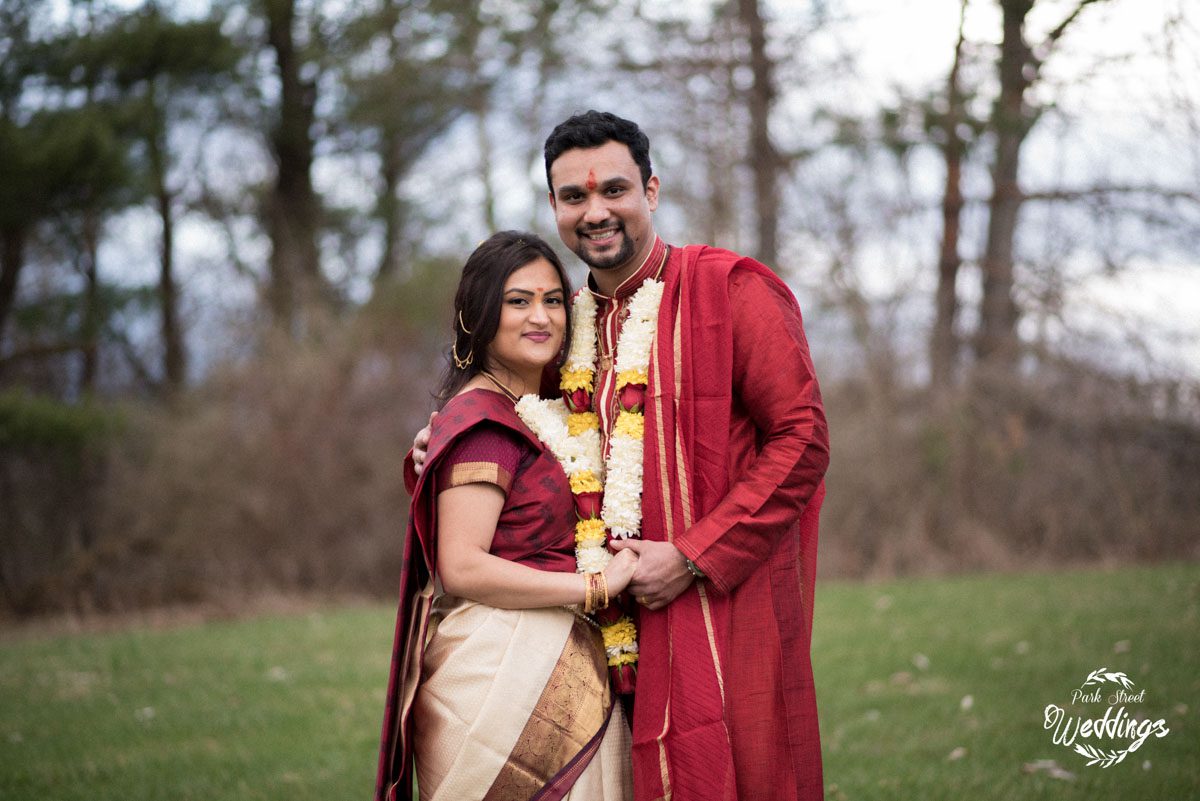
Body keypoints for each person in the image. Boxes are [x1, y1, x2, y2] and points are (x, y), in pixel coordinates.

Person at [410, 111, 830, 801]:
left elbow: (803, 438)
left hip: (720, 612)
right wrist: (435, 443)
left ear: (652, 191)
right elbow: (506, 431)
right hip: (597, 640)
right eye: (574, 197)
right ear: (554, 207)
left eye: (614, 189)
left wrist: (692, 553)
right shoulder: (561, 331)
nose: (595, 210)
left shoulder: (730, 290)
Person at [375, 231, 638, 801]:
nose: (539, 317)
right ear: (480, 315)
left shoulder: (538, 410)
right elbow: (462, 567)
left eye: (551, 300)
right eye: (518, 301)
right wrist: (592, 587)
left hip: (556, 660)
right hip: (501, 676)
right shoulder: (485, 427)